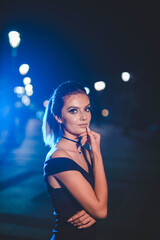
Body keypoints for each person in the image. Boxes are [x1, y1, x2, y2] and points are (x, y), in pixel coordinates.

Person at [42, 81, 108, 240]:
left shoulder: (83, 151)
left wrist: (92, 211)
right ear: (58, 117)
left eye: (87, 109)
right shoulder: (58, 159)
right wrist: (96, 153)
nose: (84, 117)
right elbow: (101, 210)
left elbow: (99, 197)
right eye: (74, 111)